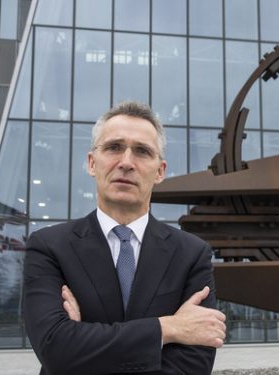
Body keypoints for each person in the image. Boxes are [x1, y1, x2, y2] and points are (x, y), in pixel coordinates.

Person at [23, 101, 226, 374]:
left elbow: (193, 366)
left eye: (142, 151)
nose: (127, 162)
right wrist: (168, 328)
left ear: (160, 171)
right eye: (114, 147)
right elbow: (55, 348)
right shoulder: (48, 247)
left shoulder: (192, 254)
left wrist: (82, 340)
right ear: (92, 163)